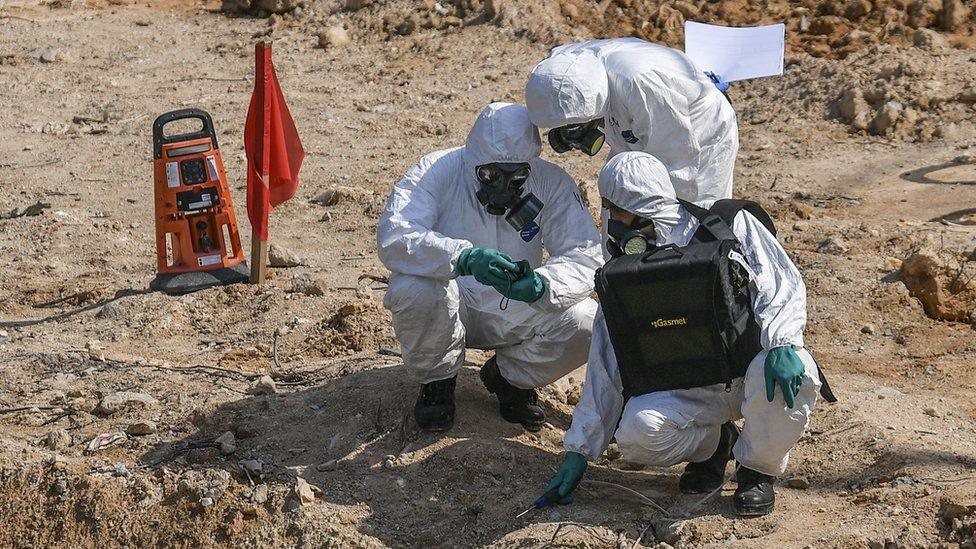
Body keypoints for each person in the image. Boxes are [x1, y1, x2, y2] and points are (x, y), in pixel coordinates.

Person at [543, 152, 829, 516]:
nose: (612, 220)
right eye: (609, 210)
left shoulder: (725, 224)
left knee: (799, 372)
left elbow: (780, 281)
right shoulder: (623, 266)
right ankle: (713, 446)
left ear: (641, 207)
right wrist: (579, 450)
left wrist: (784, 341)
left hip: (750, 373)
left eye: (618, 210)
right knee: (636, 434)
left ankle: (756, 470)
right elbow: (606, 353)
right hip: (687, 387)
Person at [377, 102, 602, 433]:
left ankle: (511, 378)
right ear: (474, 162)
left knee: (588, 321)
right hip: (456, 302)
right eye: (491, 175)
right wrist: (460, 257)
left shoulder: (551, 183)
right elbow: (395, 235)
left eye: (517, 177)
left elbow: (585, 251)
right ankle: (438, 382)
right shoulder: (436, 170)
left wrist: (544, 285)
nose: (503, 185)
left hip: (519, 304)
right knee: (413, 287)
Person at [524, 38, 738, 203]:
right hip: (635, 119)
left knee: (694, 209)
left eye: (579, 127)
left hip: (700, 130)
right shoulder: (561, 67)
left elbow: (677, 166)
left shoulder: (642, 85)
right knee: (619, 194)